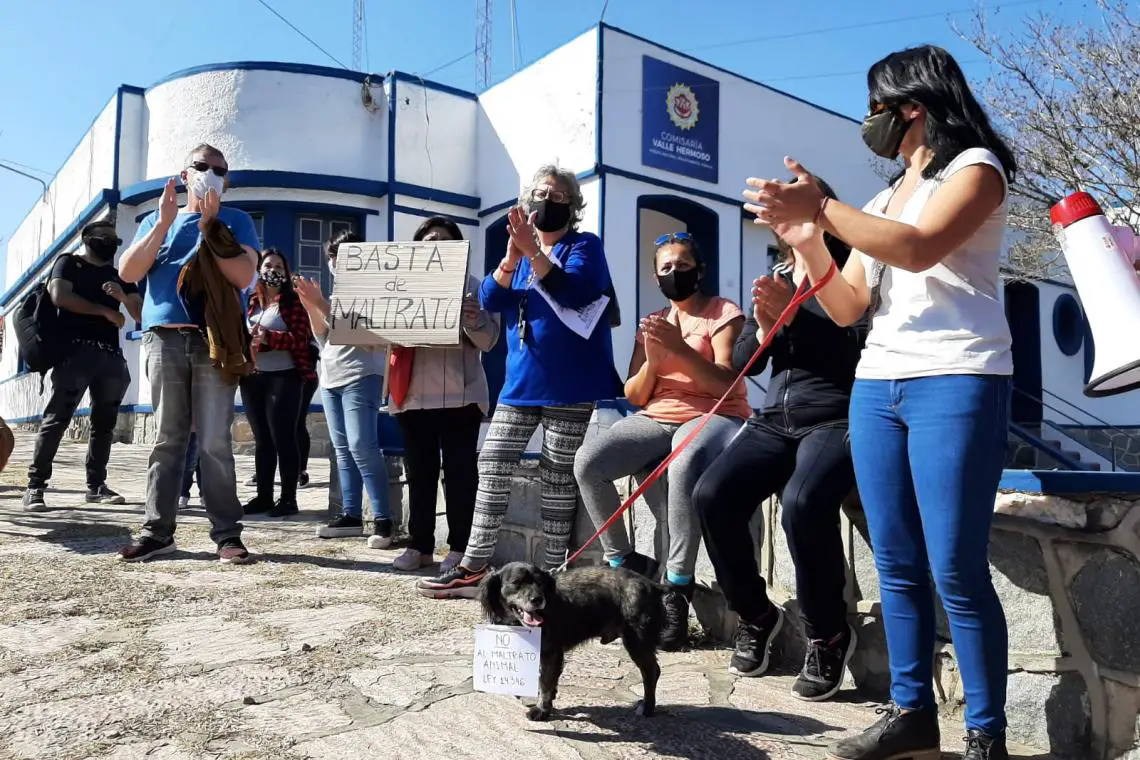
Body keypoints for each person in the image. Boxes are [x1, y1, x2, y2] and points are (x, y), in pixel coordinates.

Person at [744, 45, 1018, 760]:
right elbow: (848, 305)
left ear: (913, 105)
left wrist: (822, 207)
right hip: (878, 386)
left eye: (874, 106)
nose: (867, 121)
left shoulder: (976, 168)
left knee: (955, 568)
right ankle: (911, 713)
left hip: (958, 377)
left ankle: (986, 734)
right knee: (896, 563)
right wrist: (809, 240)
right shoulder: (883, 198)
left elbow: (919, 248)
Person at [693, 178, 866, 702]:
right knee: (711, 494)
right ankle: (756, 614)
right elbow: (747, 362)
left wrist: (797, 317)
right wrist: (768, 322)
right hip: (774, 420)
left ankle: (828, 634)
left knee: (804, 503)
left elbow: (858, 346)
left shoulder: (853, 267)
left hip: (835, 418)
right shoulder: (777, 277)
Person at [418, 164, 621, 598]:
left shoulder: (584, 245)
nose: (548, 201)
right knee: (492, 460)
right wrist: (512, 258)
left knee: (557, 475)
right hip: (521, 383)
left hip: (571, 385)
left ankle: (553, 571)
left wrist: (533, 253)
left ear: (573, 206)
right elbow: (490, 298)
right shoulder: (521, 257)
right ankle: (474, 564)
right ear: (528, 203)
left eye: (558, 196)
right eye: (540, 194)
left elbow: (575, 292)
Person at [574, 232, 750, 650]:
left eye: (683, 265)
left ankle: (676, 588)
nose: (675, 273)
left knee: (684, 461)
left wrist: (681, 351)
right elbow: (635, 395)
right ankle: (624, 564)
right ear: (656, 278)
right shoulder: (653, 322)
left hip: (715, 413)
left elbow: (727, 382)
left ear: (700, 270)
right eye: (666, 267)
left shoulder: (723, 312)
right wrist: (654, 361)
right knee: (589, 462)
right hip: (657, 416)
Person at [117, 143, 260, 565]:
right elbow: (128, 271)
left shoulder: (237, 221)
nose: (210, 173)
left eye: (220, 170)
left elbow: (244, 275)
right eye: (201, 166)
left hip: (214, 340)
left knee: (215, 440)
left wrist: (211, 228)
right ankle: (157, 532)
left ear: (226, 181)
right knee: (168, 438)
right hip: (163, 338)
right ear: (184, 175)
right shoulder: (156, 220)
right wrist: (163, 223)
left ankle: (227, 534)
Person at [389, 217, 500, 573]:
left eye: (444, 239)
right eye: (428, 240)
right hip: (412, 396)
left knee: (460, 474)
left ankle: (460, 547)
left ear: (458, 248)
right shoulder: (399, 284)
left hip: (460, 397)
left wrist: (473, 319)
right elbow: (378, 336)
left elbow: (489, 341)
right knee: (418, 473)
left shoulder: (475, 287)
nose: (436, 244)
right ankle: (419, 545)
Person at [23, 220, 141, 512]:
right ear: (87, 237)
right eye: (105, 237)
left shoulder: (120, 275)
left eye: (115, 240)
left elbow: (140, 313)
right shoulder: (69, 263)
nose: (111, 242)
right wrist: (105, 311)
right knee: (57, 419)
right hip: (75, 353)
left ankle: (96, 486)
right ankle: (35, 487)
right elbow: (60, 296)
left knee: (104, 425)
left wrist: (121, 297)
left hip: (111, 356)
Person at [293, 230, 392, 546]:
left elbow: (367, 337)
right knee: (343, 450)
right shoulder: (333, 298)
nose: (335, 262)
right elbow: (324, 339)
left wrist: (320, 304)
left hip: (362, 376)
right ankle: (350, 515)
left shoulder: (374, 294)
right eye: (332, 257)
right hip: (331, 379)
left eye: (343, 255)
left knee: (363, 445)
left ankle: (383, 519)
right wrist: (311, 305)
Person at [241, 248, 314, 517]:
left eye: (279, 267)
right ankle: (264, 496)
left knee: (283, 438)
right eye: (268, 265)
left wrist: (269, 337)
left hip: (285, 376)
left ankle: (288, 499)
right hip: (253, 377)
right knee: (262, 440)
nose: (273, 271)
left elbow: (301, 338)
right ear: (259, 270)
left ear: (286, 272)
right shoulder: (252, 301)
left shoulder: (294, 303)